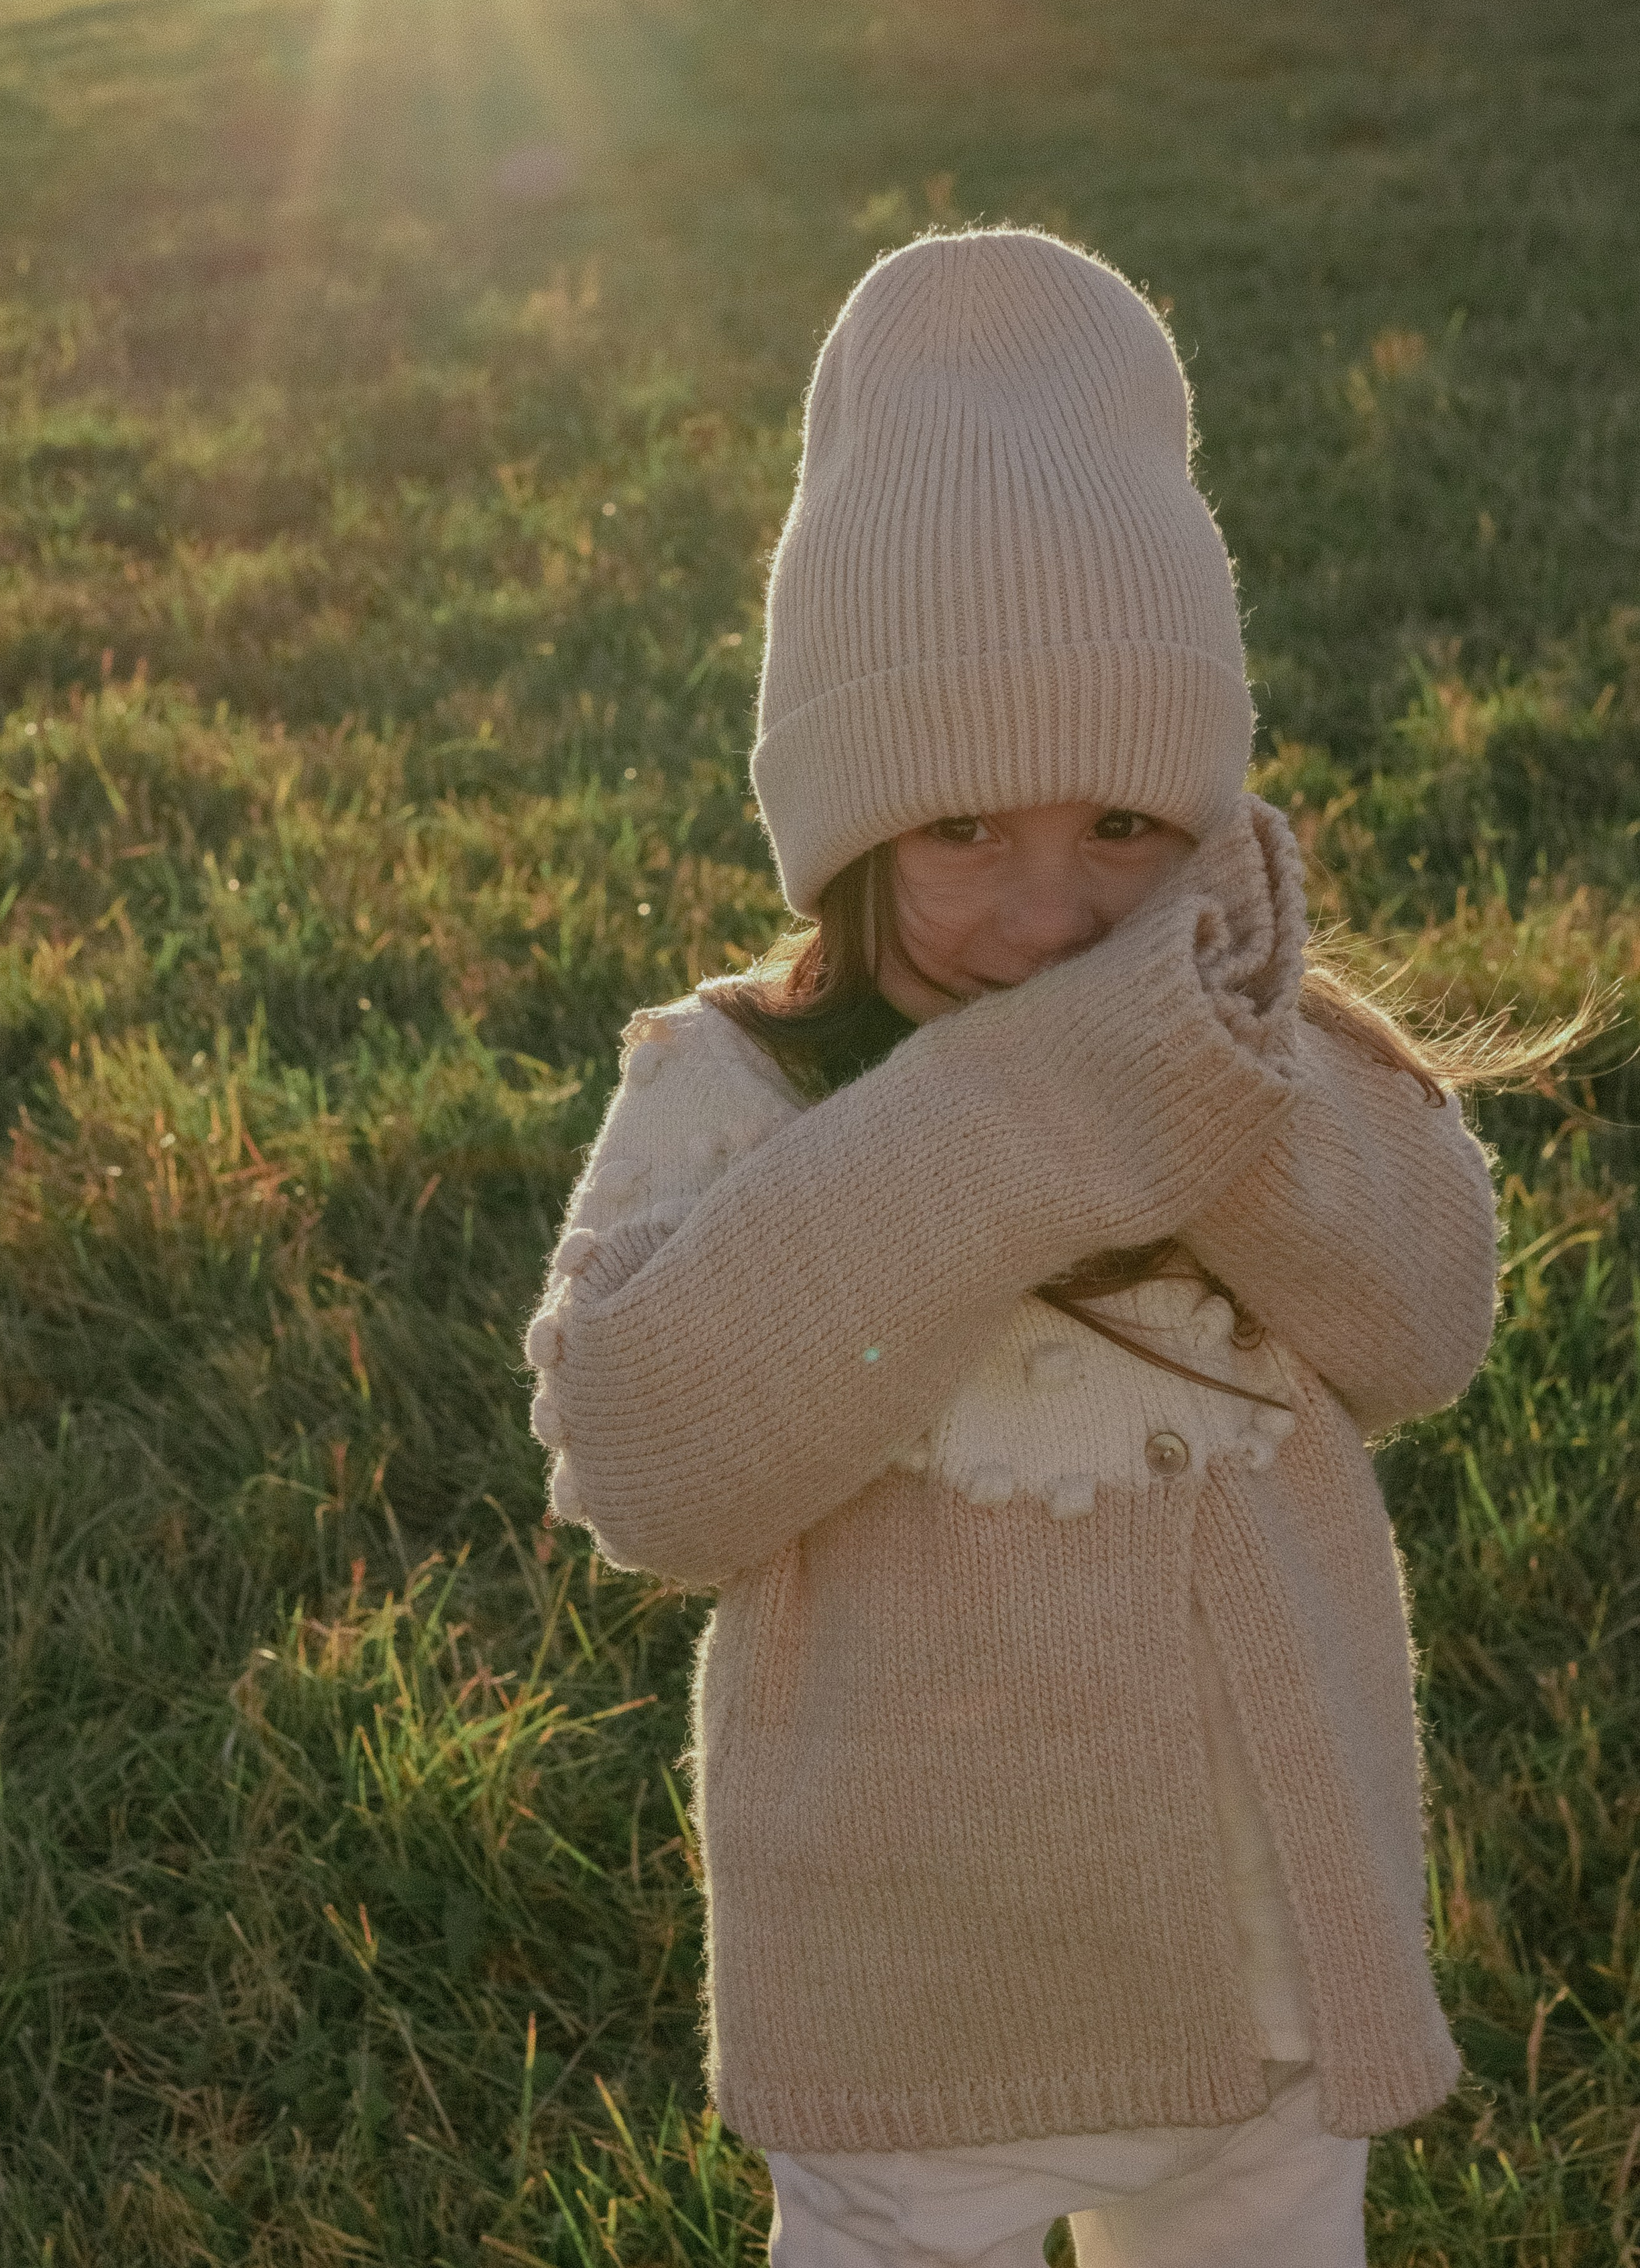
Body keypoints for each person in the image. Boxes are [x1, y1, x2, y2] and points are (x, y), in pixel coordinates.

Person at [522, 230, 1525, 2265]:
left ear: (1207, 820)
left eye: (1122, 830)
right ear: (851, 830)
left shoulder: (1260, 1050)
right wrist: (1020, 1118)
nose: (1047, 911)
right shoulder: (738, 1086)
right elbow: (649, 1467)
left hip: (1257, 1998)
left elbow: (1425, 1321)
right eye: (962, 832)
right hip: (916, 2005)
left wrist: (1197, 1081)